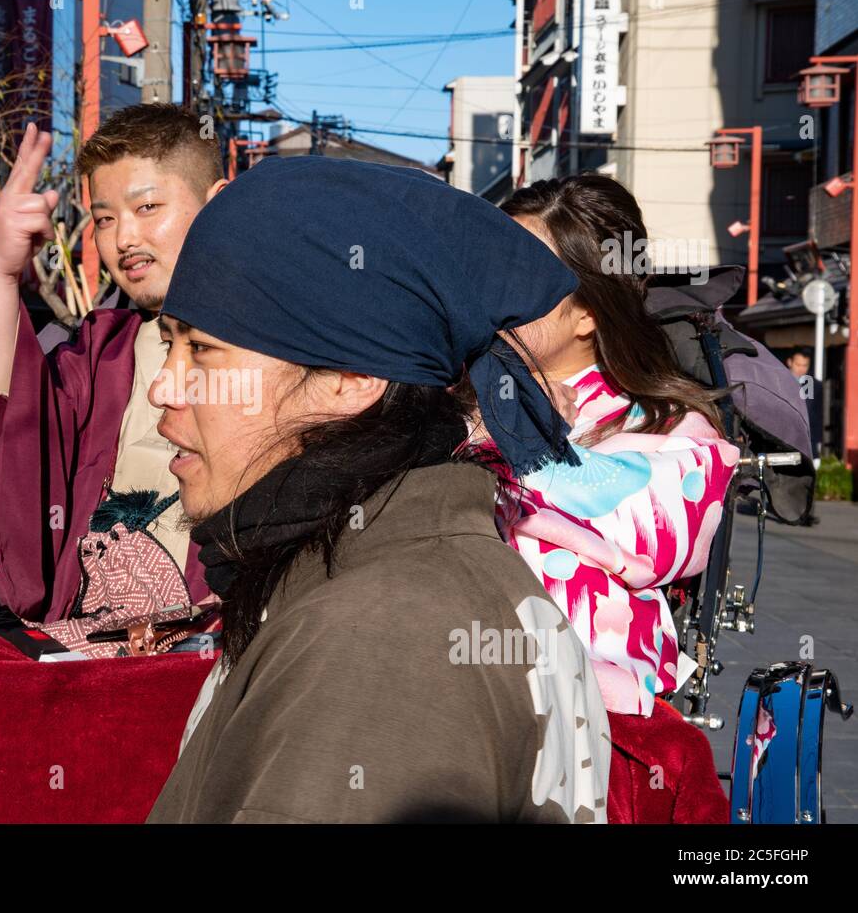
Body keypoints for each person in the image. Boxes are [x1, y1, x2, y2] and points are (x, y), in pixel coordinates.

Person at [146, 156, 612, 824]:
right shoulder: (393, 572)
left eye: (204, 351)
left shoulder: (381, 639)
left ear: (350, 378)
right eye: (168, 345)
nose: (163, 386)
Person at [494, 173, 737, 822]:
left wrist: (507, 435)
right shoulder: (447, 404)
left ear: (587, 309)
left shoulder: (670, 431)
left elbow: (631, 528)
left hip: (588, 726)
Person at [0, 105, 227, 620]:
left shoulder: (282, 346)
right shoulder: (99, 353)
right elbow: (13, 429)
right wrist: (1, 267)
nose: (124, 238)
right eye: (105, 218)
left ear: (217, 204)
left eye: (148, 206)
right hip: (87, 651)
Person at [785, 347, 824, 465]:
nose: (801, 369)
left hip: (808, 445)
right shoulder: (777, 382)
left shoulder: (816, 386)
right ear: (790, 362)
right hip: (783, 441)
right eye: (798, 364)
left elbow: (818, 416)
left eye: (805, 365)